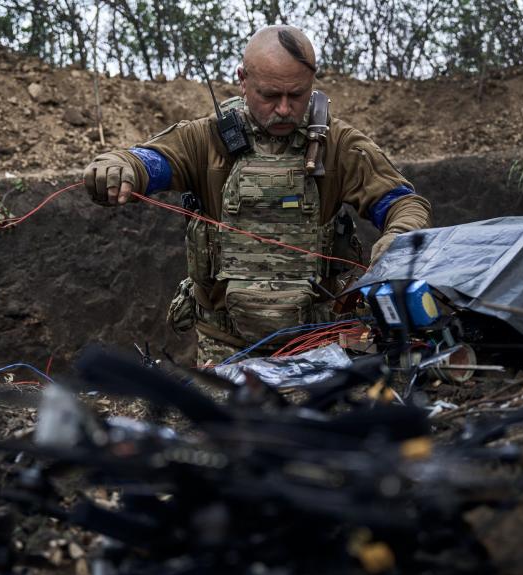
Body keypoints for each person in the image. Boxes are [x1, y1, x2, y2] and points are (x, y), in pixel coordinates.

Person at [84, 25, 432, 366]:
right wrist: (119, 168)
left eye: (296, 95)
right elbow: (151, 162)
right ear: (243, 80)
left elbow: (401, 202)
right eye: (269, 95)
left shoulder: (338, 144)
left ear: (312, 83)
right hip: (225, 348)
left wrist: (399, 236)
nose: (283, 109)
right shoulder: (206, 139)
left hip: (318, 343)